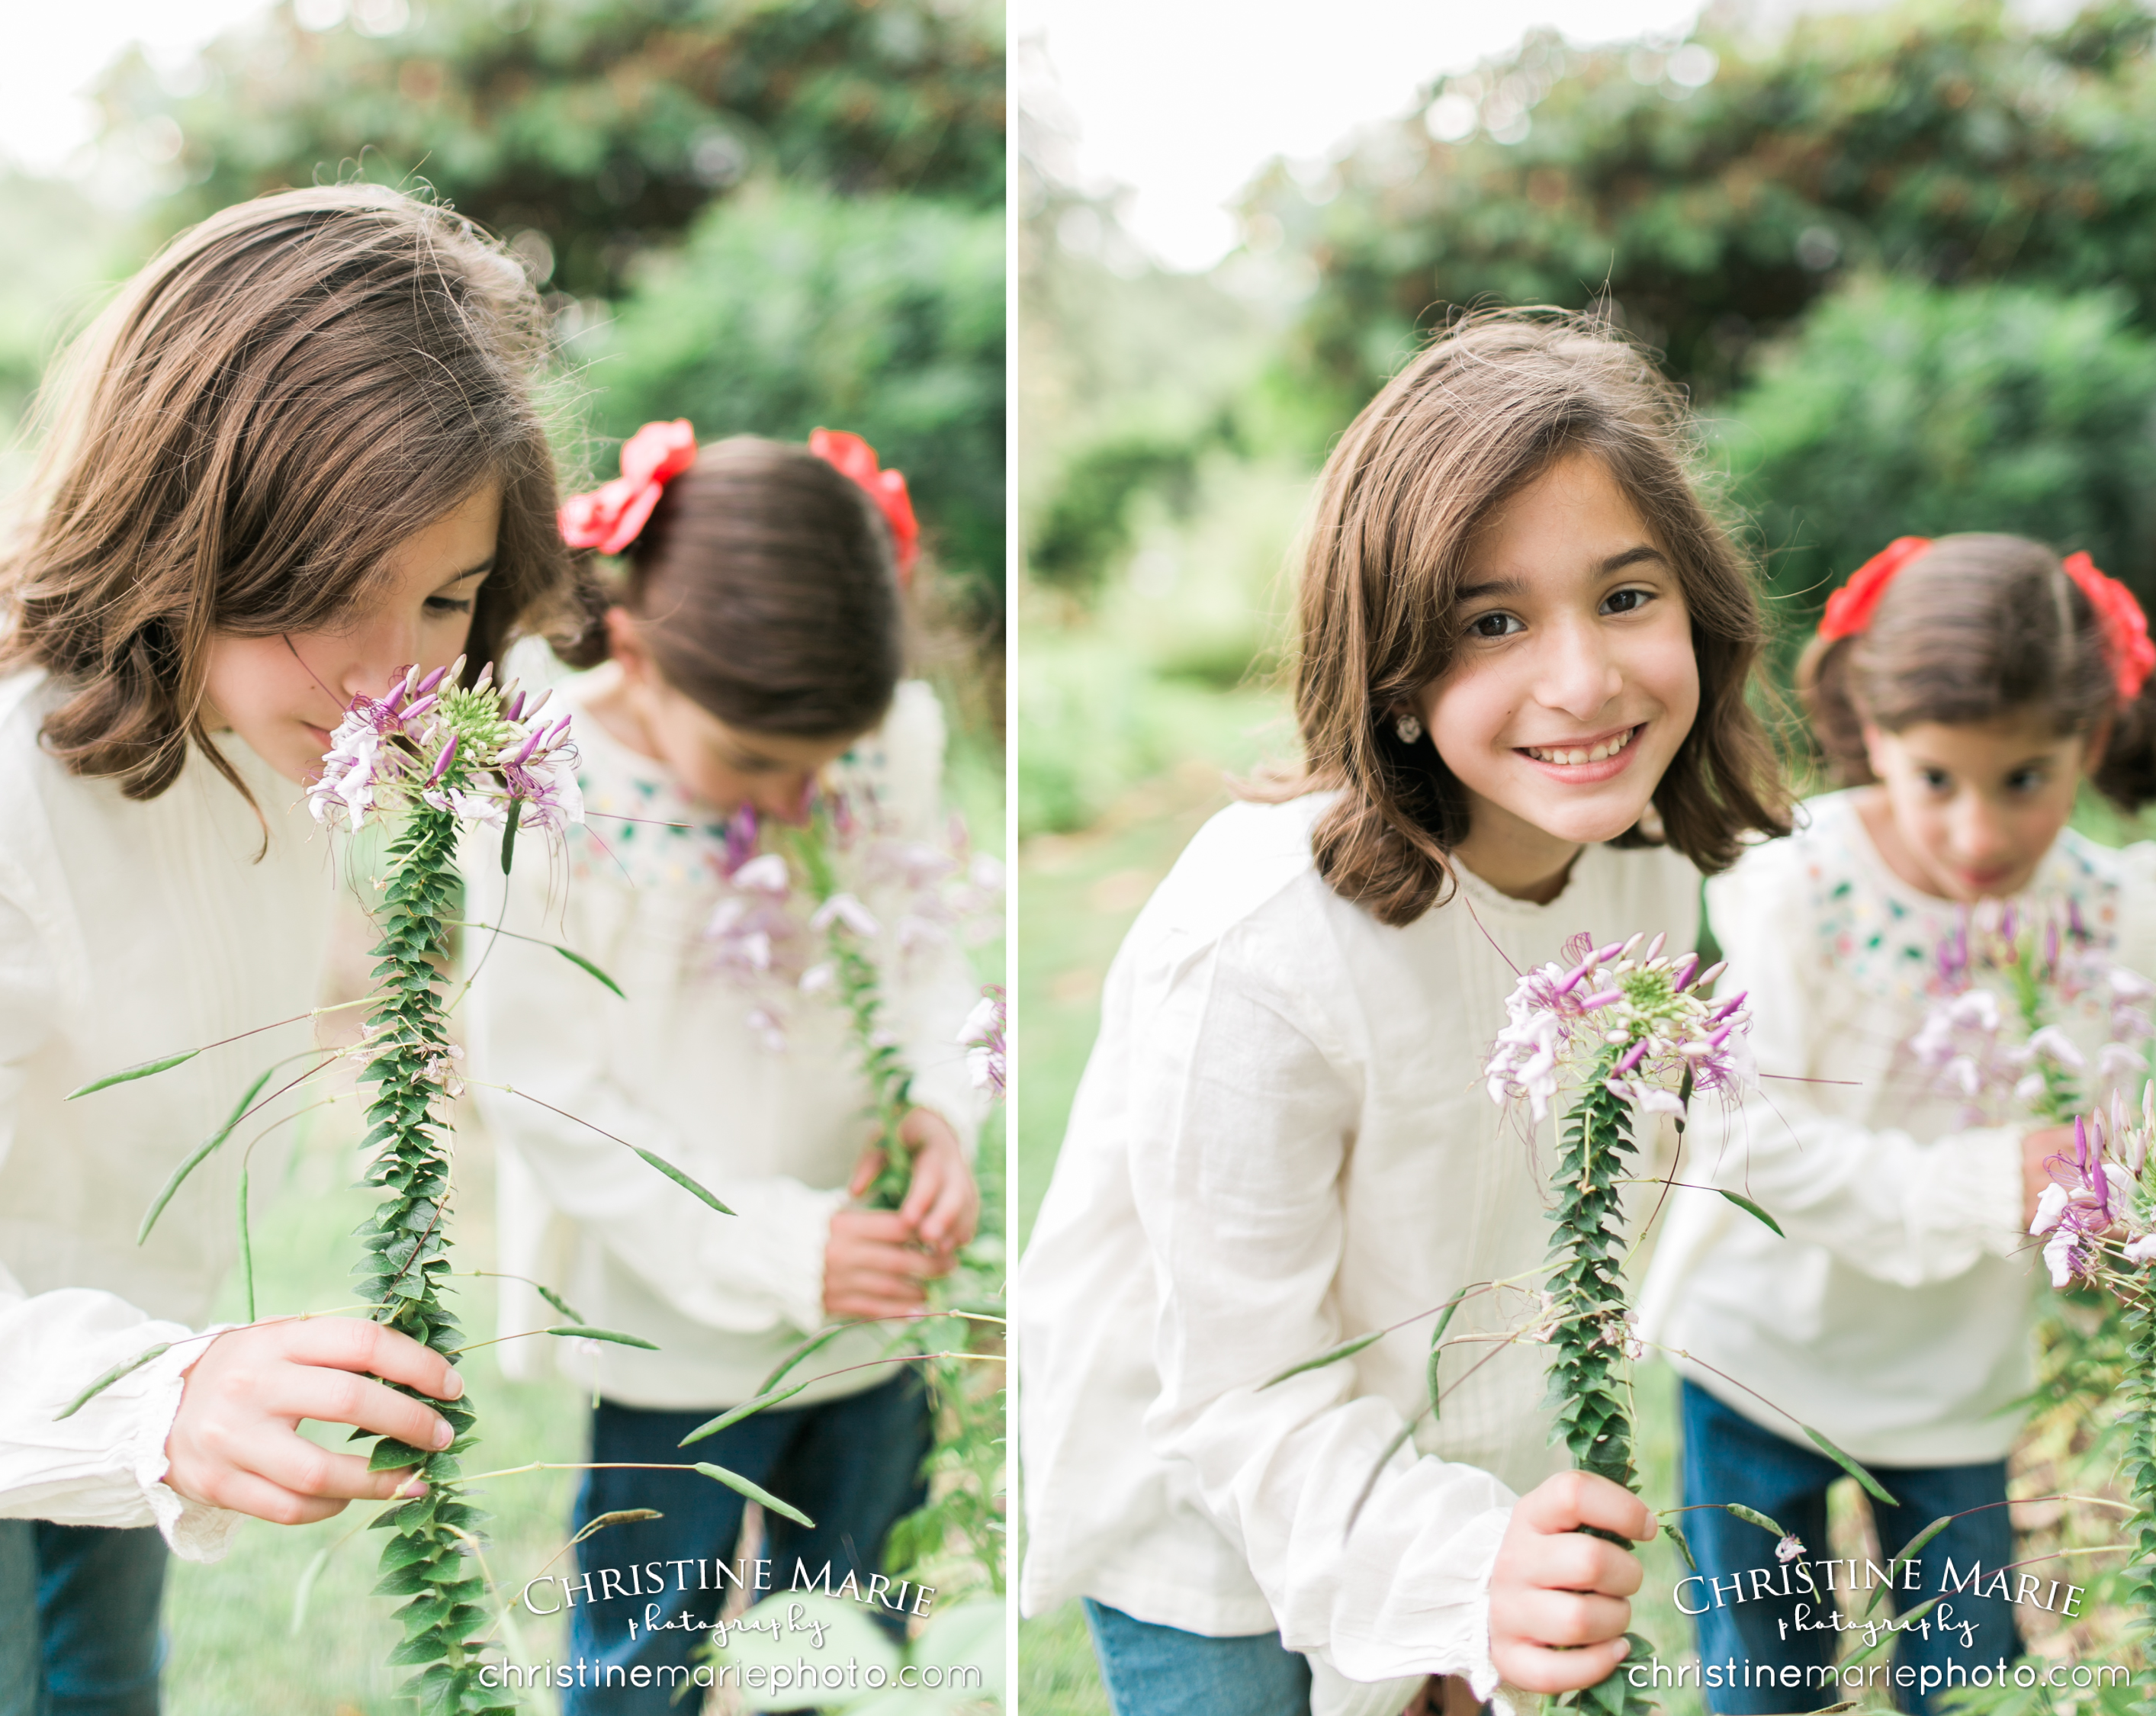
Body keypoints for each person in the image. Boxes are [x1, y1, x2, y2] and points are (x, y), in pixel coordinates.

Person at [1018, 309, 1791, 1716]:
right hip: (1209, 1504)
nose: (1584, 680)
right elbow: (1238, 1392)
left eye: (1627, 596)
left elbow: (1552, 1256)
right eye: (1491, 622)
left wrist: (1468, 1575)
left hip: (1446, 1471)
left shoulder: (1646, 880)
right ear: (1393, 676)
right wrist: (1450, 1569)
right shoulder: (1258, 944)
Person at [0, 185, 577, 1713]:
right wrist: (163, 1399)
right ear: (177, 520)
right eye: (329, 598)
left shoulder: (283, 694)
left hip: (109, 1326)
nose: (398, 681)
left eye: (446, 598)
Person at [463, 423, 986, 1712]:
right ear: (633, 646)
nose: (802, 797)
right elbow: (547, 1088)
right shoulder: (544, 785)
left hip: (872, 1308)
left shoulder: (876, 742)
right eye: (757, 764)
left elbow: (927, 958)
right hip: (675, 1318)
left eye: (826, 758)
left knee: (844, 1634)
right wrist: (778, 1245)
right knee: (646, 1652)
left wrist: (940, 1106)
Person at [1637, 532, 2156, 1713]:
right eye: (1936, 779)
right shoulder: (1801, 886)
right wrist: (1995, 1182)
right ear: (1872, 737)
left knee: (1969, 1675)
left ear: (2093, 737)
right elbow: (1748, 1139)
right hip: (1759, 1360)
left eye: (2026, 776)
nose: (1979, 834)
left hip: (1955, 1383)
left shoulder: (2116, 921)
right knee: (1765, 1674)